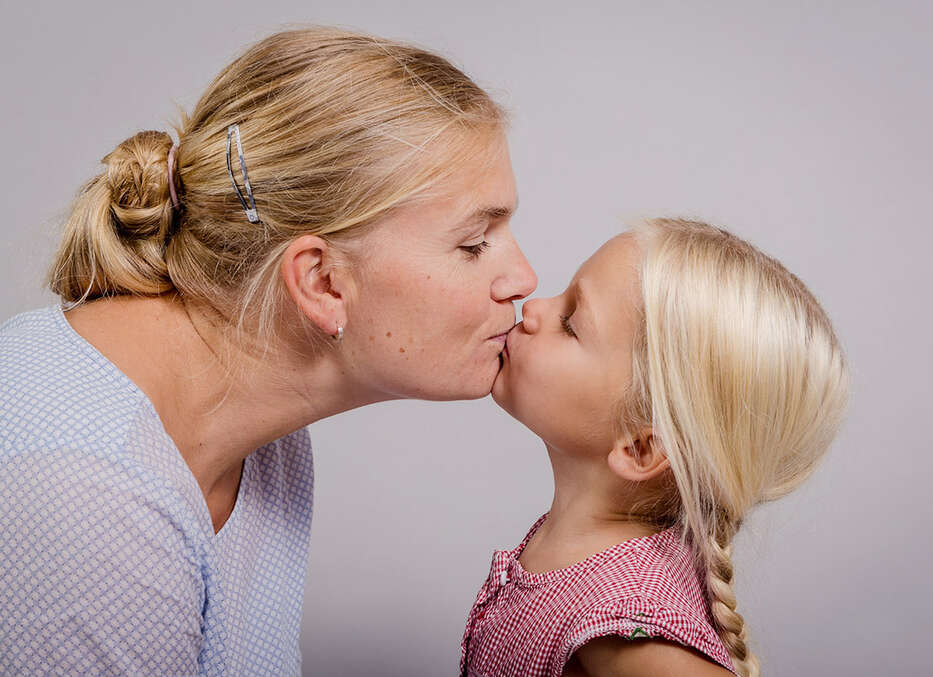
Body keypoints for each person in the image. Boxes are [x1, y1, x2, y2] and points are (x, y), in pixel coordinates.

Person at [0, 26, 535, 676]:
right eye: (474, 244)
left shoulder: (264, 441)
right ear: (321, 281)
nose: (522, 279)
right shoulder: (86, 505)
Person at [461, 219, 849, 677]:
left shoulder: (628, 615)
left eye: (570, 324)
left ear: (642, 447)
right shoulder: (577, 554)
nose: (533, 309)